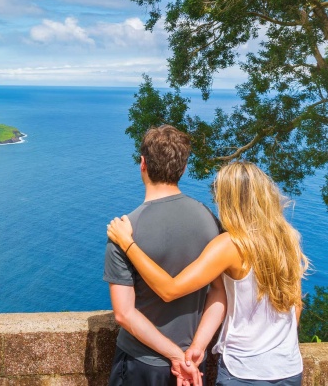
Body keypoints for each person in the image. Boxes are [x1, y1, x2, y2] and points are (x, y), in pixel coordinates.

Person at [107, 161, 308, 385]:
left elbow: (169, 289)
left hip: (244, 372)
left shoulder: (231, 245)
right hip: (289, 368)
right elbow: (295, 305)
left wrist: (128, 244)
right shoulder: (287, 239)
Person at [103, 125, 225, 386]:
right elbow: (218, 292)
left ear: (143, 164)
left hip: (141, 363)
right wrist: (195, 349)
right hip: (194, 363)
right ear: (182, 168)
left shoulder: (125, 229)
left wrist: (174, 356)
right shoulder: (209, 220)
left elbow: (124, 314)